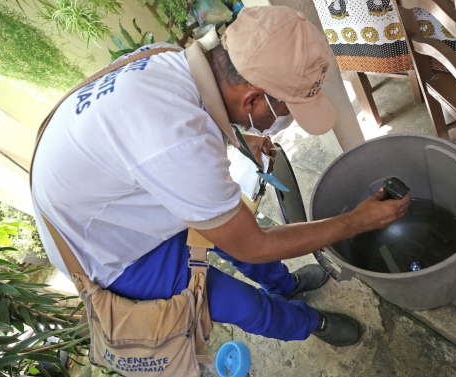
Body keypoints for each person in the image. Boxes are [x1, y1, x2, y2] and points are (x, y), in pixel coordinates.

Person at [31, 5, 410, 348]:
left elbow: (181, 131)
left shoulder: (173, 62)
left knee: (233, 224)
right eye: (287, 108)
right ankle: (311, 323)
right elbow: (253, 244)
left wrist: (242, 136)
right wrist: (357, 221)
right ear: (251, 100)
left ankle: (286, 285)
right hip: (110, 250)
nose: (286, 121)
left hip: (119, 194)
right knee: (238, 302)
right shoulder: (176, 140)